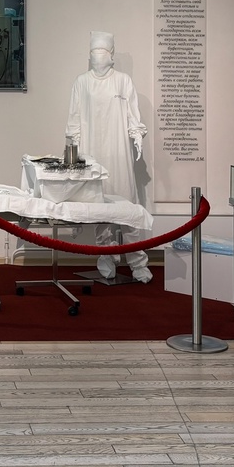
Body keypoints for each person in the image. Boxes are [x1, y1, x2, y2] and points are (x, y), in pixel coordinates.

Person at [66, 31, 151, 284]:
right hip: (92, 152)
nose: (98, 56)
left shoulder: (123, 81)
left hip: (119, 152)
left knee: (127, 205)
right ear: (89, 54)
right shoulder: (82, 82)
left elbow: (133, 115)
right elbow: (74, 119)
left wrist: (137, 135)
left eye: (103, 52)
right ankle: (106, 255)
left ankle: (137, 261)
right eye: (95, 52)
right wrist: (74, 149)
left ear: (111, 53)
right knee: (99, 206)